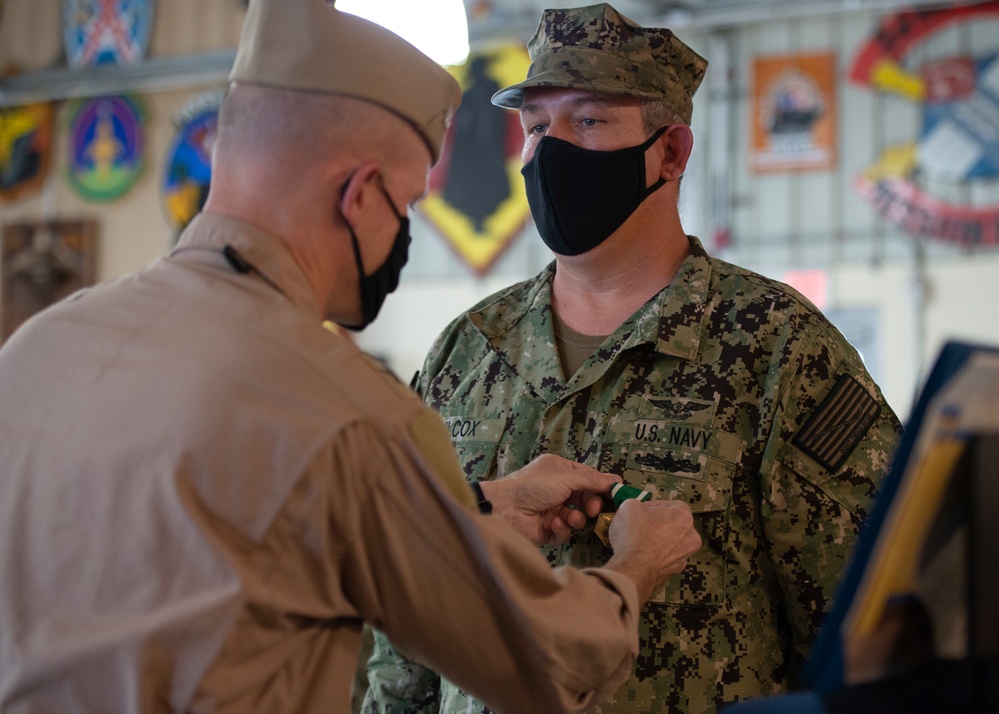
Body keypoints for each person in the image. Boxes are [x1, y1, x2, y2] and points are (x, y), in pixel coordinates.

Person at [0, 2, 705, 713]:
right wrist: (639, 562)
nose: (399, 232)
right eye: (402, 205)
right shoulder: (348, 412)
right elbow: (550, 663)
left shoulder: (40, 349)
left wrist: (475, 505)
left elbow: (230, 540)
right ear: (359, 193)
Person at [364, 4, 903, 713]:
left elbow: (862, 633)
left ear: (671, 153)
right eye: (536, 128)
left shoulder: (775, 347)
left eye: (588, 121)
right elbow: (408, 621)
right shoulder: (467, 351)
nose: (549, 152)